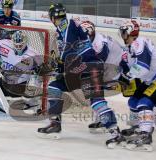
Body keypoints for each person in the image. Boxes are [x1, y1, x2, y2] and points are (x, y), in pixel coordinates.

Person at [36, 3, 123, 147]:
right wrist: (58, 68)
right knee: (54, 87)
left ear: (52, 17)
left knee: (96, 101)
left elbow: (67, 52)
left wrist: (58, 66)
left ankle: (115, 132)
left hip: (88, 67)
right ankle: (55, 124)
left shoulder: (68, 25)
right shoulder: (62, 29)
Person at [80, 21, 156, 134]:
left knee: (135, 96)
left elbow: (97, 63)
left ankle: (152, 114)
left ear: (91, 33)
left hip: (122, 68)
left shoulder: (99, 43)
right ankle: (101, 118)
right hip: (111, 70)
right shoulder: (91, 40)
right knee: (96, 92)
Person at [117, 20, 156, 151]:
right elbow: (126, 66)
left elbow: (143, 67)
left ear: (130, 33)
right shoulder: (130, 48)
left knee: (144, 103)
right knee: (133, 102)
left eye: (123, 33)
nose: (122, 36)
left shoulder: (139, 43)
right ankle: (137, 127)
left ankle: (146, 135)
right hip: (153, 79)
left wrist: (126, 77)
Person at [0, 30, 42, 114]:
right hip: (3, 81)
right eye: (16, 45)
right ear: (12, 42)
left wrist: (38, 70)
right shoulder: (3, 44)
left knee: (36, 79)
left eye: (20, 45)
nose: (18, 47)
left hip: (19, 88)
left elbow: (41, 73)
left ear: (25, 42)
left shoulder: (33, 55)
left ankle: (31, 101)